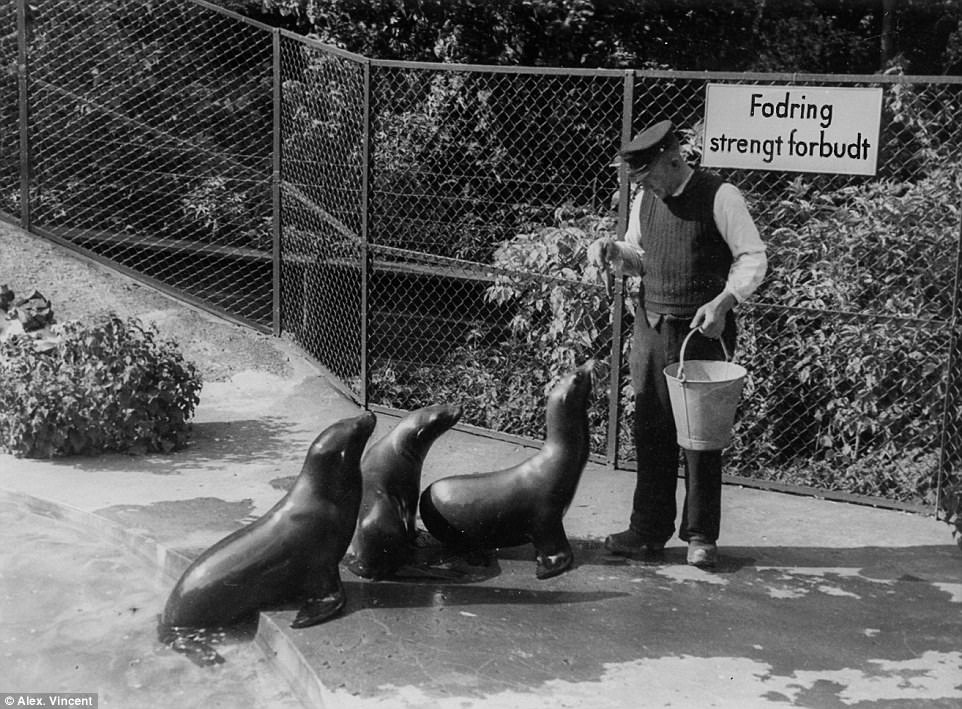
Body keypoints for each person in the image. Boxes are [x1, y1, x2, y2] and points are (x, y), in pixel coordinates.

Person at [589, 119, 767, 568]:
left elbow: (752, 257)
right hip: (651, 327)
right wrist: (613, 253)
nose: (644, 185)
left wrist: (725, 301)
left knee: (701, 437)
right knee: (650, 430)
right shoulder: (644, 197)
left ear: (673, 159)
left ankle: (701, 535)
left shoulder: (720, 195)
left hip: (701, 333)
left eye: (649, 175)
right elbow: (639, 255)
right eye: (639, 180)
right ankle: (647, 531)